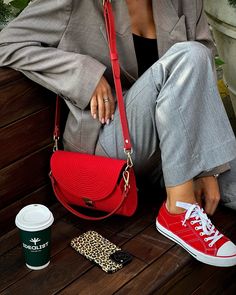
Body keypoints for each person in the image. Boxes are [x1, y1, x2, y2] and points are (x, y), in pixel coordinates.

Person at [0, 0, 236, 267]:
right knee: (189, 54)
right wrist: (84, 75)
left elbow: (201, 72)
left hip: (172, 148)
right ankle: (178, 210)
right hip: (108, 142)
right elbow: (6, 44)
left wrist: (208, 169)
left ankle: (182, 191)